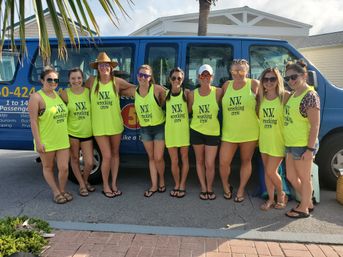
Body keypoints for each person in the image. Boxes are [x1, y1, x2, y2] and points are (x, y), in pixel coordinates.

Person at [85, 52, 135, 198]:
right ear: (97, 67)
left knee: (115, 154)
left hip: (115, 125)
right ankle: (106, 186)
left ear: (111, 68)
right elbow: (78, 92)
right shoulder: (91, 81)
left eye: (106, 65)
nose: (104, 67)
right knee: (106, 156)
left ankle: (114, 183)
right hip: (99, 126)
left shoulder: (117, 82)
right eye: (101, 65)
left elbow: (134, 87)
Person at [28, 66, 72, 204]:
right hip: (46, 140)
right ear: (42, 80)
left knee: (64, 168)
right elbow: (33, 121)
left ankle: (63, 190)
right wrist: (38, 142)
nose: (53, 82)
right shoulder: (36, 97)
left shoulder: (58, 95)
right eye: (49, 80)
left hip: (62, 139)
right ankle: (56, 192)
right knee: (48, 168)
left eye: (56, 80)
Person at [283, 60, 320, 219]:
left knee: (305, 178)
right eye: (288, 78)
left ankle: (304, 208)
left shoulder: (310, 95)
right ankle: (308, 201)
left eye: (294, 77)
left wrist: (310, 149)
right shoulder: (293, 94)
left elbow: (315, 125)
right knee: (291, 177)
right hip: (291, 144)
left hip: (303, 146)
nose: (291, 81)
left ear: (304, 75)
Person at [219, 59, 259, 202]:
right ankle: (226, 186)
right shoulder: (226, 85)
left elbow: (265, 102)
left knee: (246, 160)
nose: (238, 74)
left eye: (241, 71)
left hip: (249, 132)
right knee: (223, 163)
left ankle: (241, 189)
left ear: (247, 71)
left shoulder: (254, 84)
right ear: (231, 71)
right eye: (235, 71)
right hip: (229, 133)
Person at [257, 68, 290, 210]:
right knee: (267, 171)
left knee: (271, 171)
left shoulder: (285, 97)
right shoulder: (260, 98)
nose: (269, 82)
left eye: (272, 79)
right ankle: (271, 199)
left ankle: (281, 194)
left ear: (278, 80)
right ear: (262, 82)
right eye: (266, 79)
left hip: (278, 140)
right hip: (264, 140)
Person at [188, 64, 222, 200]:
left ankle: (210, 187)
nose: (205, 78)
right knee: (200, 161)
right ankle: (203, 188)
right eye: (203, 75)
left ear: (212, 77)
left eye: (208, 75)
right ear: (198, 77)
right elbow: (189, 111)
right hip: (196, 131)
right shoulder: (192, 94)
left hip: (213, 132)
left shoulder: (218, 92)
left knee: (210, 163)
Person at [60, 68, 95, 197]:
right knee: (74, 159)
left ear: (82, 78)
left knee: (90, 162)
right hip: (72, 132)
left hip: (87, 133)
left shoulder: (88, 92)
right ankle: (81, 185)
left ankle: (85, 180)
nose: (76, 81)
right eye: (73, 78)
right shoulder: (64, 93)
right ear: (69, 80)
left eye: (79, 78)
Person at [134, 64, 167, 197]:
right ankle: (154, 185)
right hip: (145, 129)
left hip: (159, 127)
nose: (143, 78)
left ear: (150, 77)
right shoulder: (133, 91)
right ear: (137, 76)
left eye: (146, 75)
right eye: (141, 75)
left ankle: (162, 180)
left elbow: (168, 98)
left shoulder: (157, 89)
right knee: (151, 157)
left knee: (158, 158)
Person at [165, 67, 190, 198]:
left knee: (184, 159)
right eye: (174, 78)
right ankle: (176, 183)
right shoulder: (164, 94)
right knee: (174, 161)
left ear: (182, 79)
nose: (176, 80)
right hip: (170, 132)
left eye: (179, 78)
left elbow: (190, 110)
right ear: (169, 79)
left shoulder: (187, 94)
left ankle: (183, 185)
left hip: (183, 131)